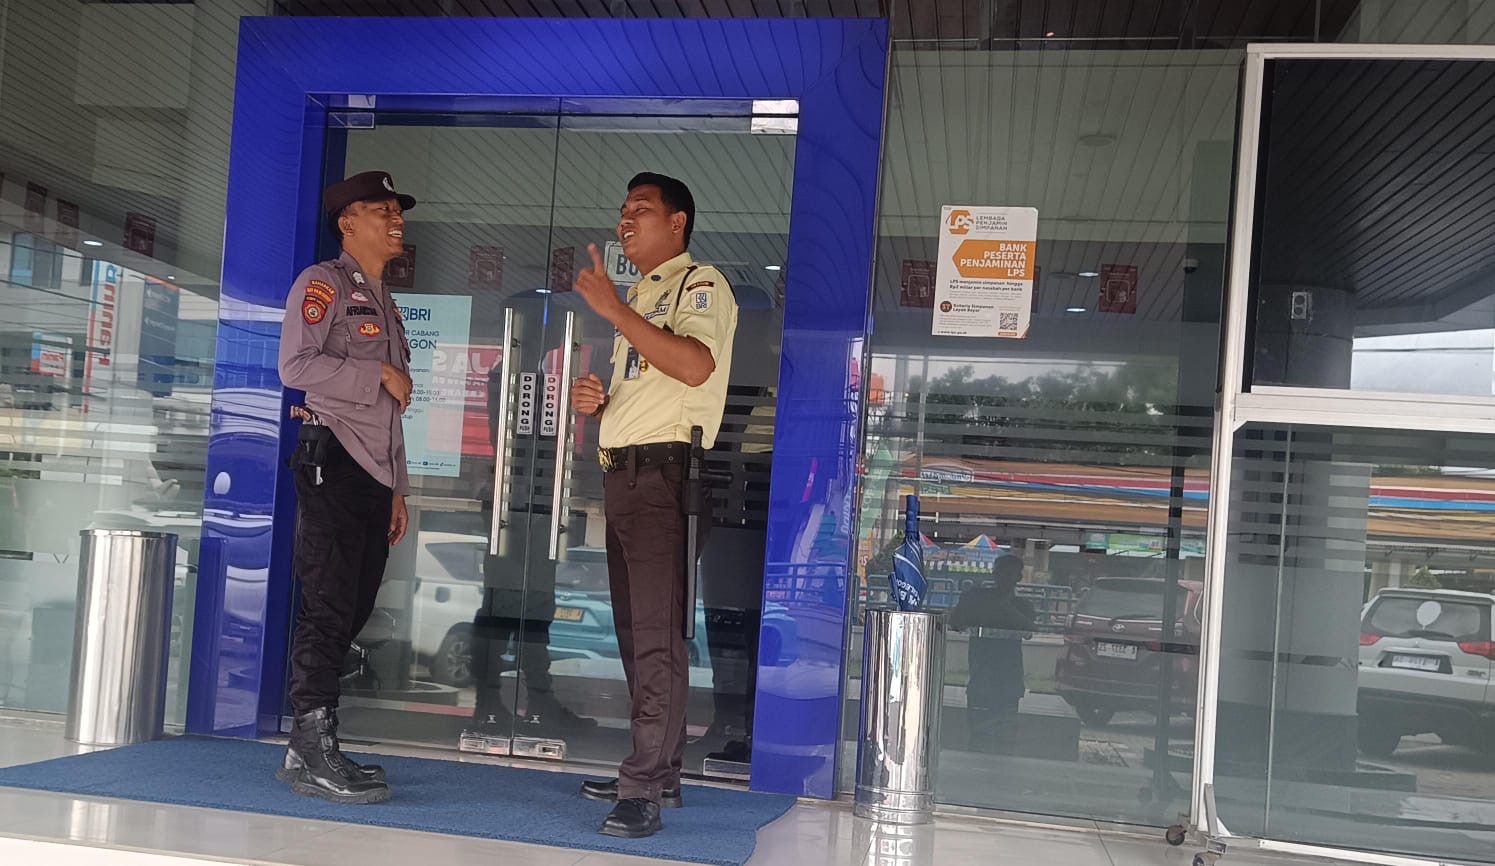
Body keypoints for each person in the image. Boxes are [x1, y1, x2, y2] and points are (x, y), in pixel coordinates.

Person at [569, 172, 739, 838]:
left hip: (665, 477)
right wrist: (602, 405)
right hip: (626, 477)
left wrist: (615, 311)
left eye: (640, 209)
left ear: (677, 223)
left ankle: (642, 785)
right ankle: (657, 771)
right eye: (622, 210)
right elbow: (655, 390)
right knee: (637, 634)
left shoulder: (700, 283)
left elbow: (695, 367)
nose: (625, 220)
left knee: (656, 635)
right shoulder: (641, 296)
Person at [276, 170, 416, 805]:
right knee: (329, 604)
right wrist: (376, 371)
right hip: (332, 458)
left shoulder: (384, 300)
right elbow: (296, 365)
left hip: (373, 472)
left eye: (397, 211)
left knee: (354, 604)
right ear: (347, 222)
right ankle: (313, 743)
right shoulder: (322, 283)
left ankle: (306, 742)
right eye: (381, 210)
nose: (396, 220)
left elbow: (393, 409)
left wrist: (398, 488)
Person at [951, 552, 1035, 754]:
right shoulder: (978, 598)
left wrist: (1006, 607)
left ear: (1018, 577)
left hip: (1009, 679)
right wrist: (968, 602)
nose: (1004, 578)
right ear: (994, 574)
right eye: (1001, 573)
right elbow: (956, 623)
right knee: (978, 734)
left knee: (1005, 738)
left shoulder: (1023, 605)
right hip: (982, 675)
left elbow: (1028, 631)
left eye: (1009, 573)